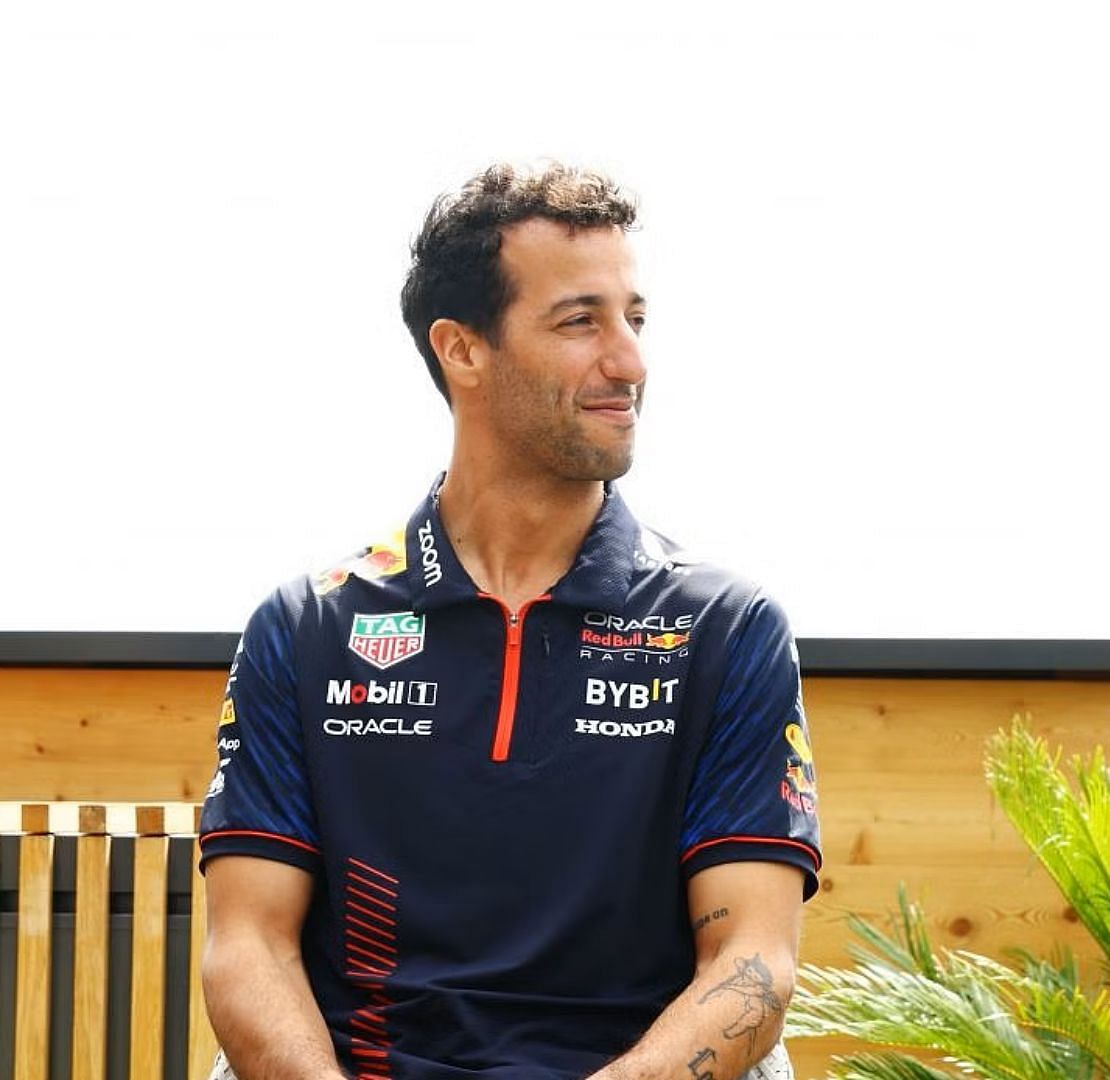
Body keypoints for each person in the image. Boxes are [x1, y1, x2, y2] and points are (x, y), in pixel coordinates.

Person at [198, 162, 821, 1080]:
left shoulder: (725, 626)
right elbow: (249, 946)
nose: (631, 362)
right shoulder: (307, 625)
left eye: (634, 320)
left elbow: (753, 964)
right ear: (462, 351)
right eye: (582, 321)